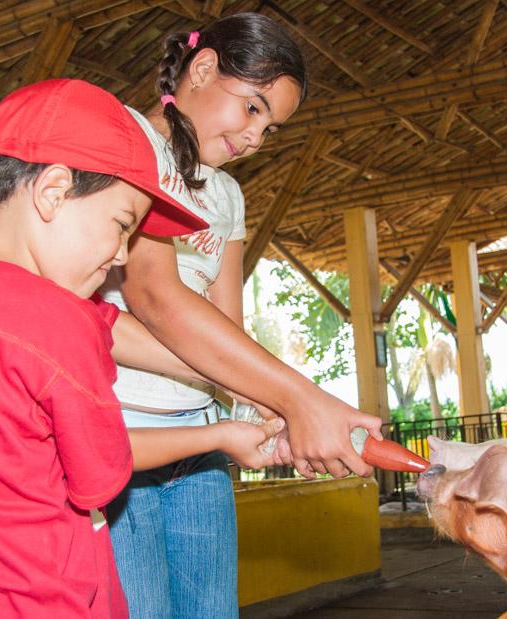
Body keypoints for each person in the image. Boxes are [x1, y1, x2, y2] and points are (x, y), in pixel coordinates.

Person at [0, 78, 283, 617]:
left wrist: (253, 385)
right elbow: (105, 469)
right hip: (45, 599)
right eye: (122, 225)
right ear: (53, 191)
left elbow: (106, 323)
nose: (124, 255)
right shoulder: (57, 328)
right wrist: (224, 434)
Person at [101, 13, 382, 619]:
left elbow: (226, 322)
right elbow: (154, 297)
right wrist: (297, 397)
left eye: (271, 126)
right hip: (121, 432)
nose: (256, 137)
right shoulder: (126, 144)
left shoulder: (226, 196)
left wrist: (272, 406)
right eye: (252, 108)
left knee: (212, 610)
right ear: (202, 69)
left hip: (201, 442)